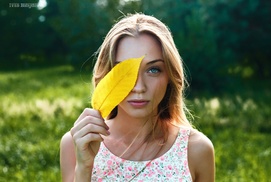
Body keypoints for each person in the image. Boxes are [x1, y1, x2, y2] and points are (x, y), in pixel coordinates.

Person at [60, 13, 215, 182]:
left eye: (153, 70)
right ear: (106, 76)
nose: (139, 87)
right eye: (124, 73)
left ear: (170, 76)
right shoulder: (76, 144)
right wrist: (84, 168)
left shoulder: (196, 150)